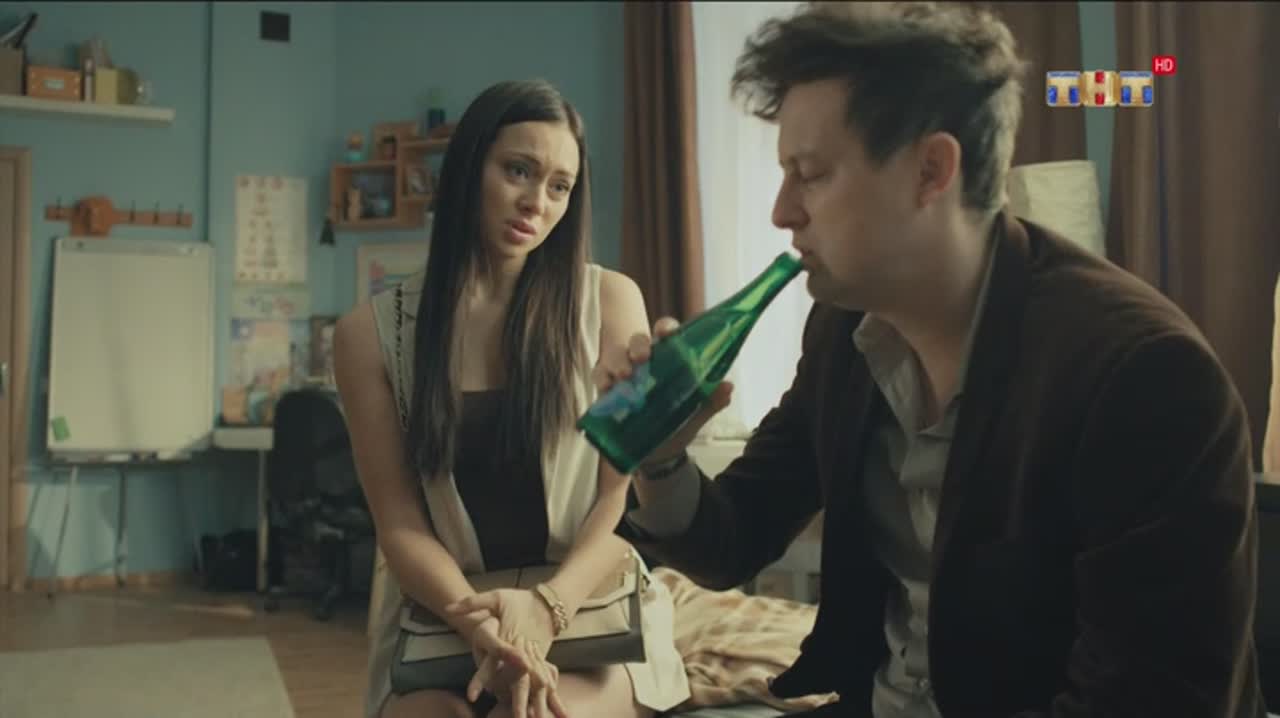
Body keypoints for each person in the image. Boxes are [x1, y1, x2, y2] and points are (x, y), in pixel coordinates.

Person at [597, 3, 1266, 717]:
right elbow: (735, 539)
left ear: (931, 170)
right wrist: (661, 461)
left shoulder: (1145, 378)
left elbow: (1148, 703)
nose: (782, 211)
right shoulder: (845, 332)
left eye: (810, 174)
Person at [333, 79, 690, 718]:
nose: (536, 202)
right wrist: (483, 628)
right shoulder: (369, 336)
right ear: (470, 168)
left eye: (560, 186)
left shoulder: (612, 302)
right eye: (518, 171)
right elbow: (401, 525)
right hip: (449, 616)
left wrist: (545, 610)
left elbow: (621, 501)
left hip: (588, 610)